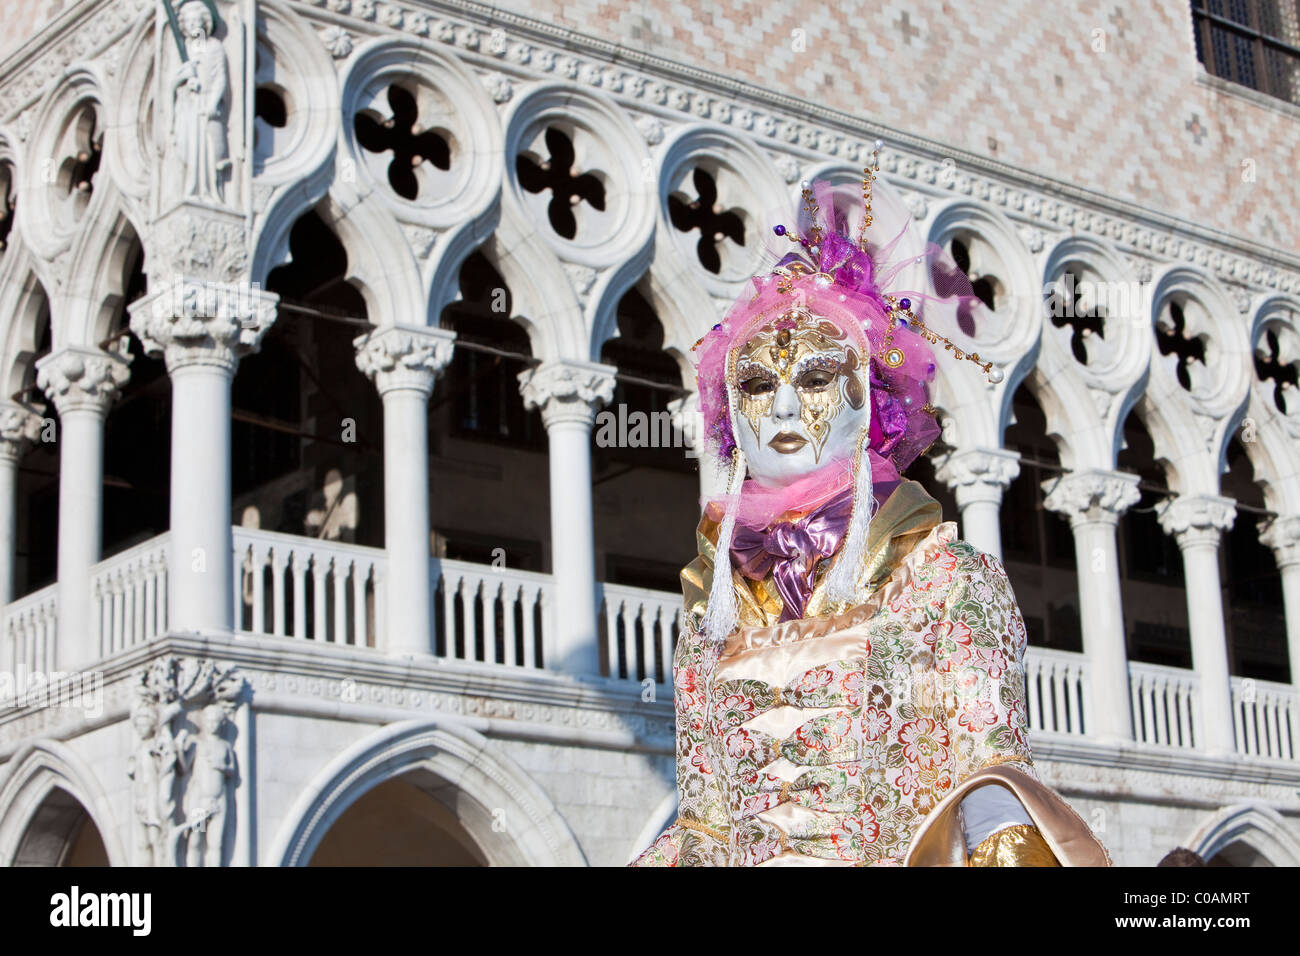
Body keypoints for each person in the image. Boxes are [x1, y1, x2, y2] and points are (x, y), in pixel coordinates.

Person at [631, 158, 1109, 866]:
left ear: (872, 406)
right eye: (759, 386)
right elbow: (704, 822)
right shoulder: (712, 606)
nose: (786, 407)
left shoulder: (949, 582)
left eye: (819, 378)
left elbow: (988, 776)